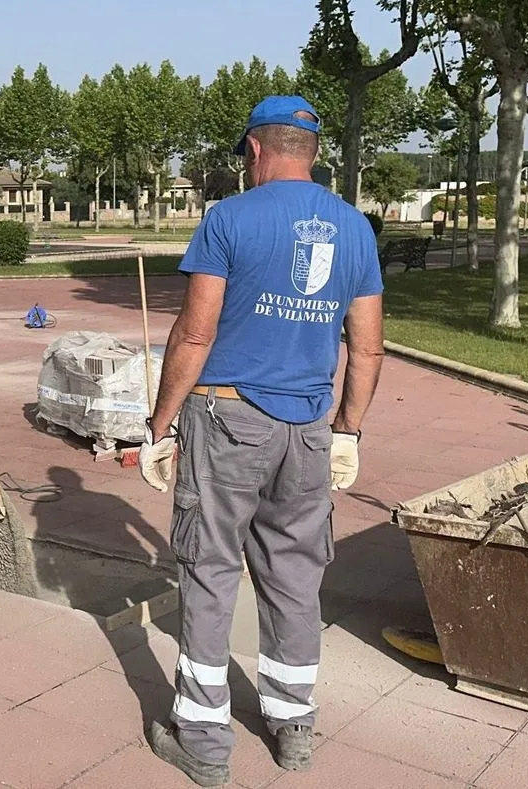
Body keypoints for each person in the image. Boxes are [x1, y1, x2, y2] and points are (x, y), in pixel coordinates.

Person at [138, 96, 385, 786]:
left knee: (210, 569)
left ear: (254, 149)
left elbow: (195, 332)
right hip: (307, 429)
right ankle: (293, 726)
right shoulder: (354, 228)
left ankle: (203, 742)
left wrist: (160, 424)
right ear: (313, 151)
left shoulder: (229, 219)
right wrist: (348, 430)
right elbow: (367, 348)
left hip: (227, 419)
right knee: (295, 575)